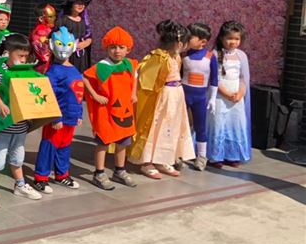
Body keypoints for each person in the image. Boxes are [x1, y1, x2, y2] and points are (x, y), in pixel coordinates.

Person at [0, 33, 42, 207]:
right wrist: (0, 104)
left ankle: (20, 185)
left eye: (25, 56)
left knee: (18, 158)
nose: (23, 60)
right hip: (4, 125)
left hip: (20, 125)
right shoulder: (2, 70)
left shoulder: (24, 71)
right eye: (20, 55)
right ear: (8, 53)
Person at [129, 21, 195, 178]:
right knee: (155, 127)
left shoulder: (176, 56)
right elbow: (145, 77)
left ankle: (162, 158)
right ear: (180, 43)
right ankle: (146, 161)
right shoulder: (157, 56)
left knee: (170, 128)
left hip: (176, 95)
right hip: (162, 96)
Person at [82, 26, 138, 190]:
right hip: (106, 111)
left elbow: (135, 77)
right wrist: (95, 95)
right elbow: (85, 78)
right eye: (113, 47)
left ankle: (119, 170)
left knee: (123, 141)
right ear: (107, 48)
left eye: (121, 47)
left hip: (124, 110)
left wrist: (133, 93)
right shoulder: (102, 66)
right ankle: (99, 173)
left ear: (128, 49)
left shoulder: (130, 64)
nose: (117, 51)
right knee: (103, 141)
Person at [33, 26, 84, 193]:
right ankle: (40, 177)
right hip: (57, 119)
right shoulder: (53, 72)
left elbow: (78, 92)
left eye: (67, 45)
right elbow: (49, 95)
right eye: (60, 44)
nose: (64, 49)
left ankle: (62, 174)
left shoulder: (73, 69)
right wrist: (55, 117)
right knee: (49, 146)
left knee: (64, 146)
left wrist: (79, 114)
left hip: (70, 117)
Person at [207, 21, 252, 167]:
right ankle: (215, 156)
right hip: (219, 96)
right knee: (218, 123)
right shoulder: (214, 55)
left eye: (237, 39)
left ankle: (232, 155)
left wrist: (240, 93)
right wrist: (226, 93)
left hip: (236, 97)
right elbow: (213, 78)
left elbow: (244, 78)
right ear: (221, 38)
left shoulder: (241, 55)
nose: (233, 42)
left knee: (235, 123)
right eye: (229, 38)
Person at [182, 22, 218, 171]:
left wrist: (212, 99)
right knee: (181, 126)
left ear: (203, 41)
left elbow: (214, 79)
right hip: (183, 96)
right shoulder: (184, 55)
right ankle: (180, 154)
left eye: (190, 37)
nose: (187, 39)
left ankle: (202, 156)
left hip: (200, 98)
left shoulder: (210, 57)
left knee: (200, 127)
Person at [57, 0, 92, 74]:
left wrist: (86, 42)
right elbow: (57, 37)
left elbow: (89, 36)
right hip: (68, 54)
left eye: (82, 3)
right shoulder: (63, 20)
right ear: (70, 5)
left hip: (82, 55)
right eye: (77, 3)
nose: (81, 5)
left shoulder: (84, 21)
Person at [30, 3, 57, 74]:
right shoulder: (40, 32)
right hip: (43, 68)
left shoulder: (48, 29)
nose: (54, 19)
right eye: (50, 17)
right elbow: (44, 55)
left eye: (54, 16)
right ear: (41, 18)